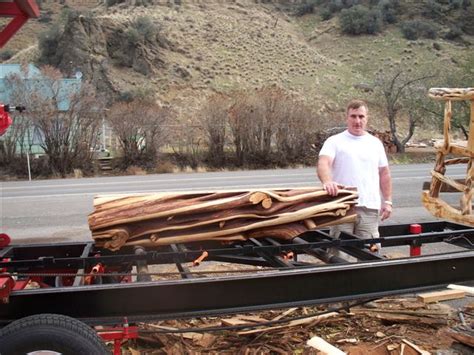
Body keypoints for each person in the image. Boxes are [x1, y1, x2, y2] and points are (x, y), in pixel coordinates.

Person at [317, 99, 392, 254]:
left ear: (366, 118)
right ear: (347, 117)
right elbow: (323, 163)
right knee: (339, 254)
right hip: (343, 206)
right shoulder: (335, 141)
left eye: (361, 116)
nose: (357, 121)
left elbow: (384, 173)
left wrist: (388, 201)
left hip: (369, 207)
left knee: (371, 253)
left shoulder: (375, 143)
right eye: (353, 116)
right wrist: (327, 181)